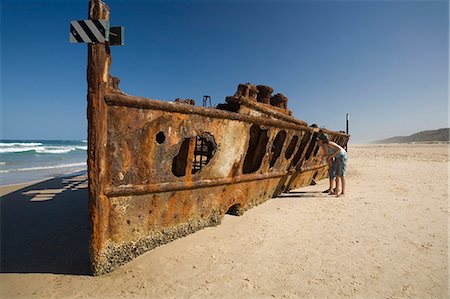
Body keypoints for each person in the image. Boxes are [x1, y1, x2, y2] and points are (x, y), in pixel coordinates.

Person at [316, 132, 348, 197]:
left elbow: (339, 149)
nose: (317, 142)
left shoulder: (329, 143)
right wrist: (323, 159)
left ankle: (343, 193)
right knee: (337, 174)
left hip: (342, 156)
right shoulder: (323, 146)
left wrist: (331, 156)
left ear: (322, 140)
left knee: (341, 174)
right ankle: (337, 191)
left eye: (318, 140)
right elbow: (326, 154)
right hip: (337, 157)